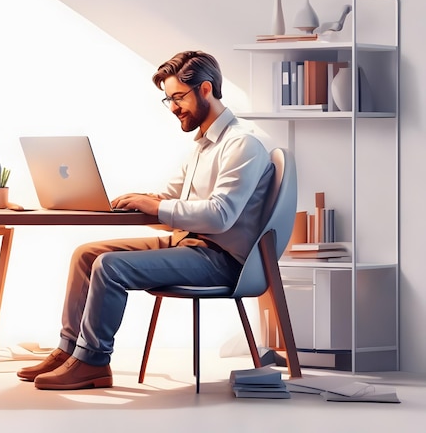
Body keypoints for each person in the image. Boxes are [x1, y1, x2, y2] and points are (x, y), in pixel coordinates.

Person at [17, 50, 274, 390]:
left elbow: (220, 214)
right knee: (86, 255)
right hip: (190, 243)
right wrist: (136, 201)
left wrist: (154, 207)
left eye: (178, 97)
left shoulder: (243, 144)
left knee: (110, 266)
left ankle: (93, 361)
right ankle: (69, 351)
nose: (173, 108)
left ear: (206, 89)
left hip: (223, 260)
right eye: (167, 99)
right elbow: (171, 198)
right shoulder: (203, 146)